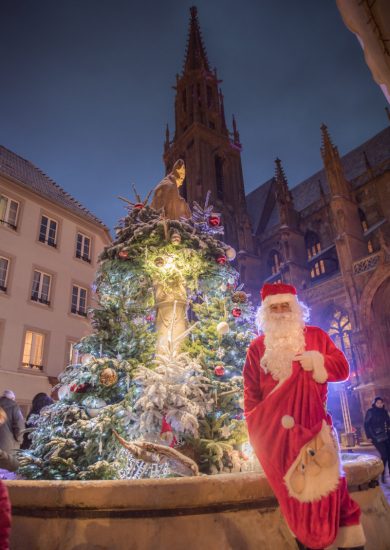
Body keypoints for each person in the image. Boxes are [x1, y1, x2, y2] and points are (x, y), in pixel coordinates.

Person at [243, 283, 365, 550]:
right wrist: (259, 430)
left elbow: (342, 368)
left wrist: (318, 362)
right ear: (265, 312)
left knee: (335, 492)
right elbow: (251, 396)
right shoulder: (256, 348)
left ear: (295, 307)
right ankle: (306, 543)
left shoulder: (317, 336)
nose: (280, 312)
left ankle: (350, 544)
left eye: (285, 306)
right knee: (295, 497)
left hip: (315, 428)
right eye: (273, 308)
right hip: (279, 438)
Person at [364, 396, 390, 482]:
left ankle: (386, 474)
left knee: (388, 455)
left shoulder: (385, 412)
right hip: (376, 436)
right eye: (378, 403)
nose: (379, 404)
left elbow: (388, 423)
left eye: (381, 403)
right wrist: (369, 437)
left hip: (387, 435)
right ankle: (382, 473)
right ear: (374, 403)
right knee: (384, 454)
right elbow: (366, 424)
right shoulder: (370, 412)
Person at [0, 390, 24, 473]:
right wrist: (19, 440)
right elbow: (20, 426)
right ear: (13, 398)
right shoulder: (15, 407)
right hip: (9, 446)